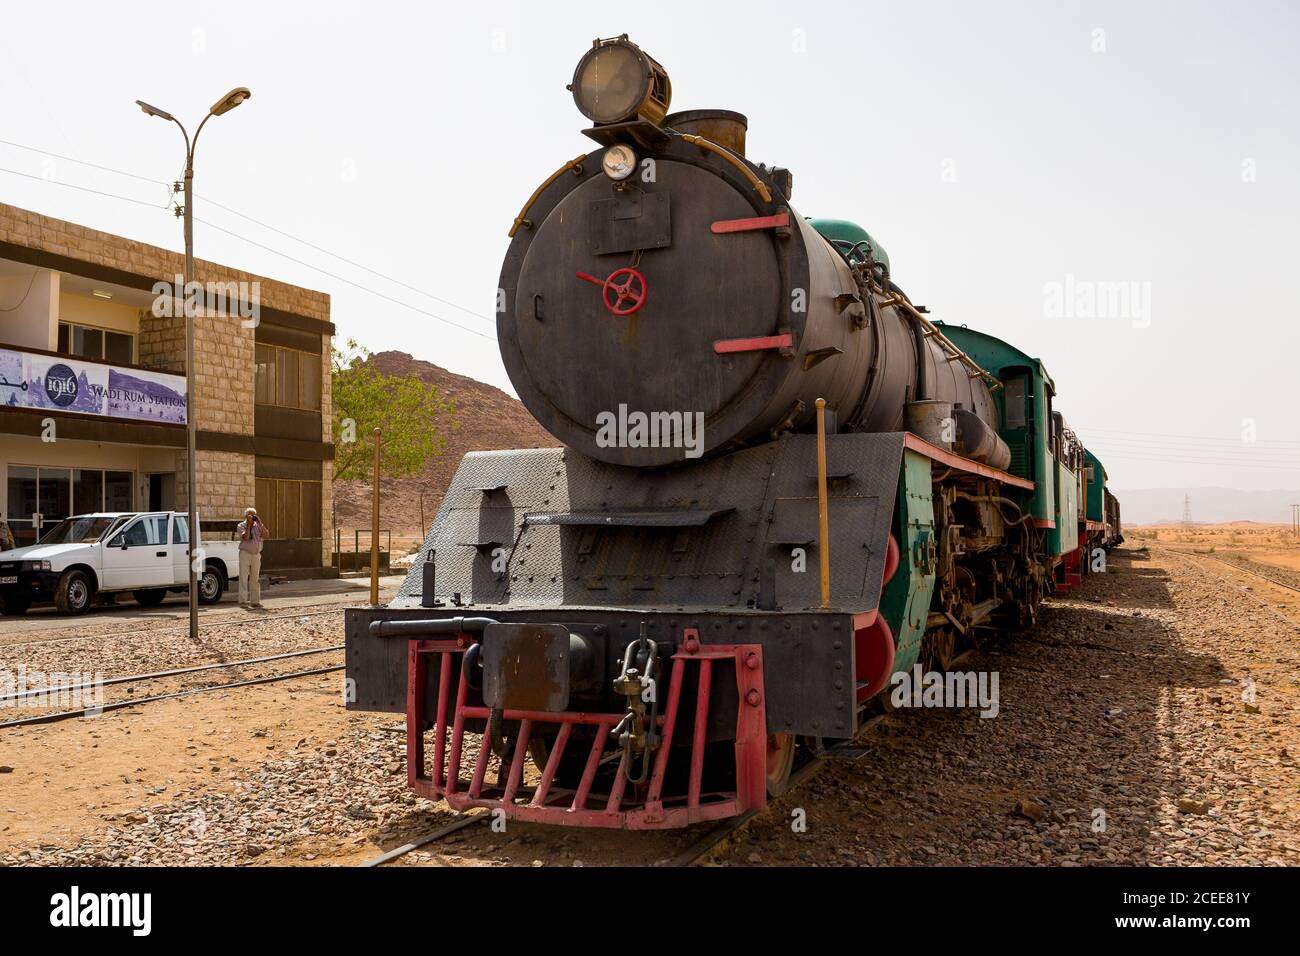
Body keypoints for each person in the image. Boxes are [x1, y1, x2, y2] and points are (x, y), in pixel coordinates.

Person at [236, 507, 269, 609]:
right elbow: (246, 537)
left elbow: (266, 535)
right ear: (246, 516)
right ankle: (243, 601)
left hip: (256, 554)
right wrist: (249, 526)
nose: (251, 517)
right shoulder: (241, 525)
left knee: (255, 578)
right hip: (245, 553)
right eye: (249, 515)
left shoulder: (258, 525)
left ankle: (255, 601)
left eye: (253, 515)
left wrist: (259, 522)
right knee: (243, 577)